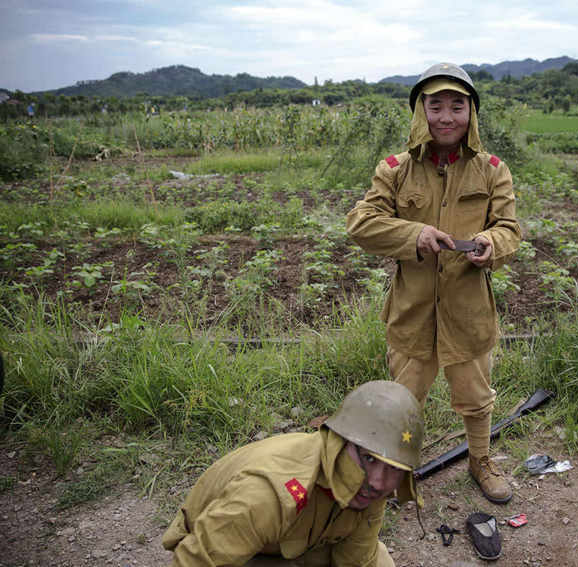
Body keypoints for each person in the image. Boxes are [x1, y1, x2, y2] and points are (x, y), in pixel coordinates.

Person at [346, 63, 521, 504]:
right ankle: (391, 473)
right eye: (435, 105)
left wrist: (489, 243)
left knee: (477, 399)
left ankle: (480, 462)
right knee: (402, 404)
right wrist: (414, 234)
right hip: (413, 311)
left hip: (468, 313)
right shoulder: (395, 170)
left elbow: (509, 229)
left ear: (471, 113)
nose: (446, 117)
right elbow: (361, 224)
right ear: (420, 112)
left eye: (456, 106)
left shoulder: (492, 170)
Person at [162, 380, 424, 566]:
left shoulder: (369, 490)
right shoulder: (267, 494)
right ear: (338, 444)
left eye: (393, 469)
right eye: (368, 458)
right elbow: (195, 561)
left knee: (378, 561)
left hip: (296, 545)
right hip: (232, 552)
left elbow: (356, 561)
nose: (378, 482)